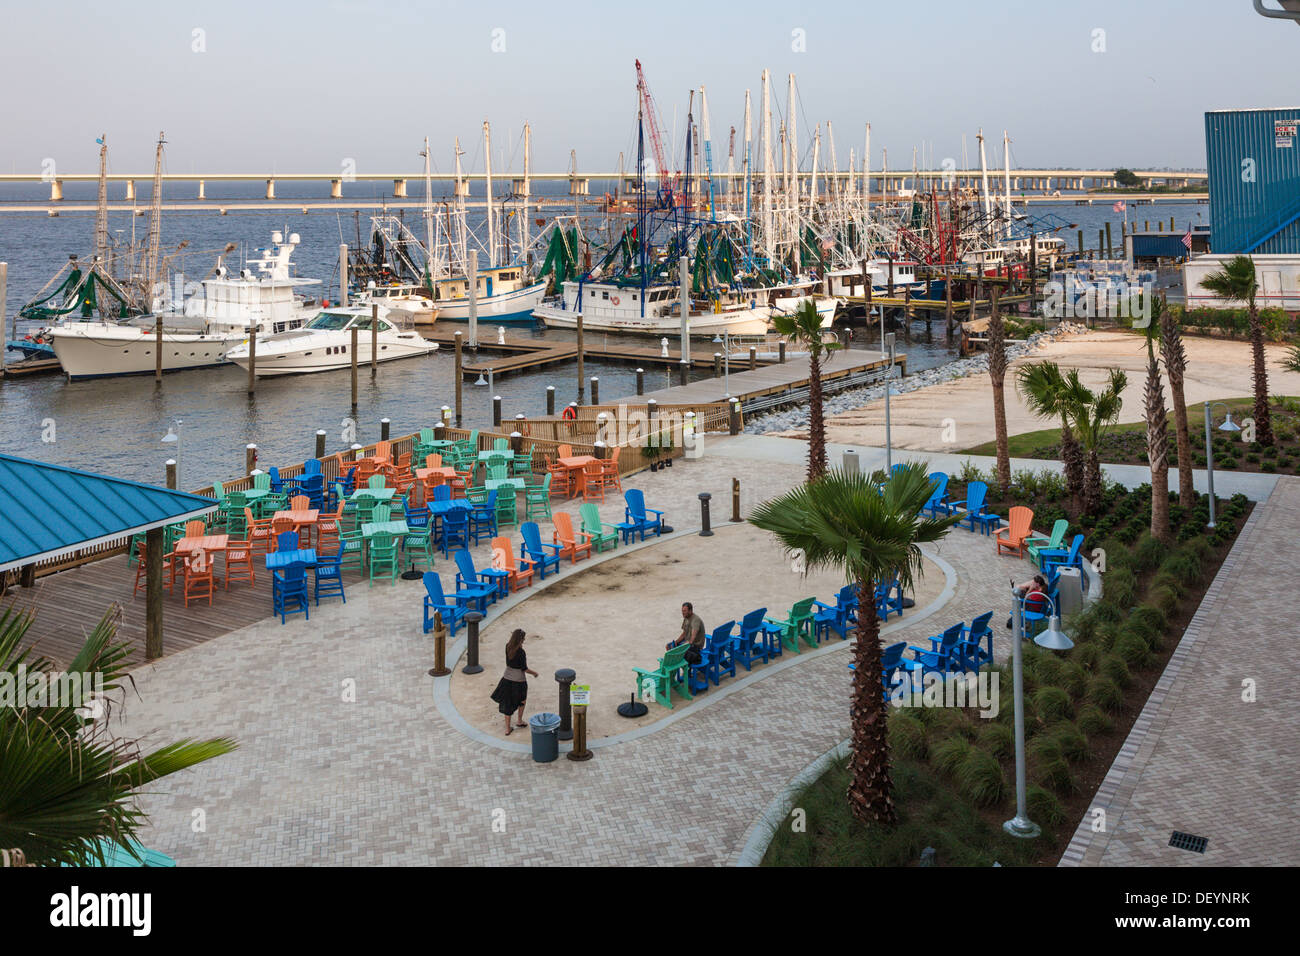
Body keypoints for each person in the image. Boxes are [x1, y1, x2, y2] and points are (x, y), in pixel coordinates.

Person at [490, 629, 538, 736]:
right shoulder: (521, 652)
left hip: (506, 678)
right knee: (522, 700)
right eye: (523, 639)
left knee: (507, 703)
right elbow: (524, 669)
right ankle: (519, 721)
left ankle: (507, 729)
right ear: (520, 640)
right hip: (519, 681)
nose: (524, 640)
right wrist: (534, 673)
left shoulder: (507, 646)